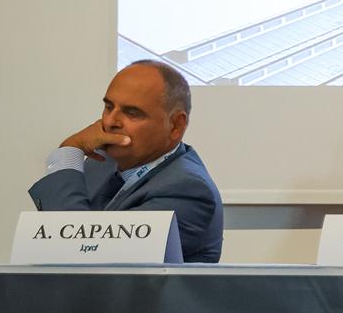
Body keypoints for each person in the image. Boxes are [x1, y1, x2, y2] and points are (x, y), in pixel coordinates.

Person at [29, 60, 223, 263]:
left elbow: (78, 254)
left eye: (132, 113)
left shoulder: (189, 190)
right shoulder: (101, 161)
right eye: (108, 107)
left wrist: (70, 149)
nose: (110, 121)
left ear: (175, 125)